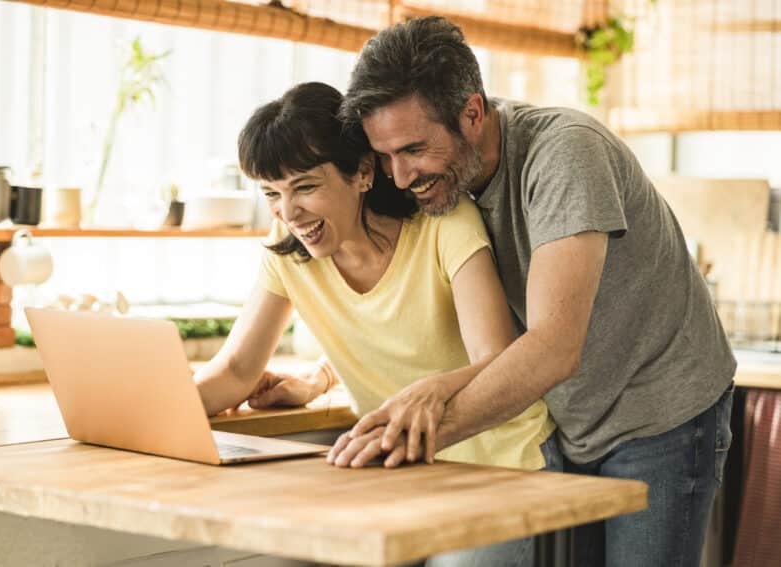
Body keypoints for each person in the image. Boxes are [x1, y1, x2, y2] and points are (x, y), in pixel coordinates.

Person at [328, 16, 736, 567]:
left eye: (413, 149)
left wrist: (411, 438)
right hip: (571, 421)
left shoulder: (565, 153)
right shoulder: (443, 187)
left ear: (473, 113)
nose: (399, 176)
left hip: (660, 413)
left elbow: (553, 347)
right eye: (384, 156)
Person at [193, 81, 556, 566]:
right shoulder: (288, 248)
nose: (288, 211)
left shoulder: (444, 225)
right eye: (271, 193)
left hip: (501, 466)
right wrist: (148, 413)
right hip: (397, 470)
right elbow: (237, 369)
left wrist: (431, 388)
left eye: (305, 187)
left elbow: (497, 359)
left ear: (363, 173)